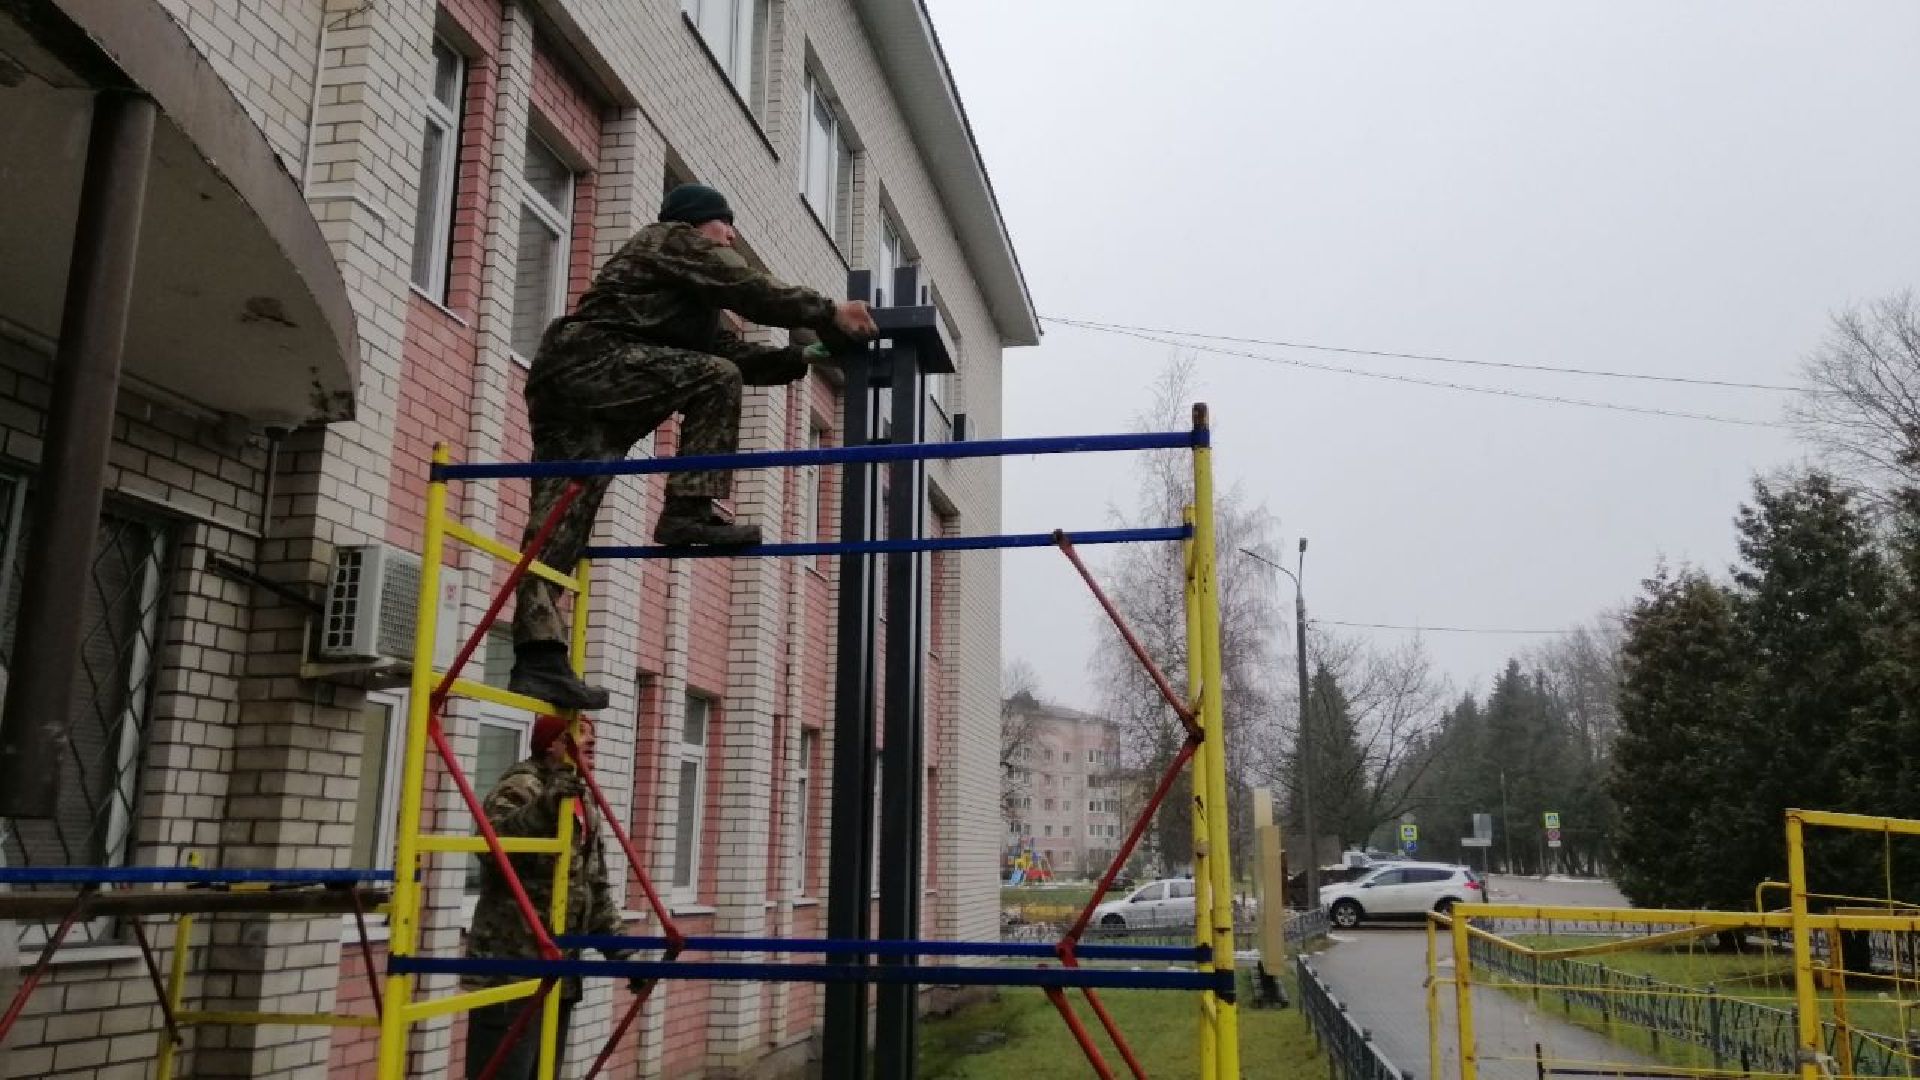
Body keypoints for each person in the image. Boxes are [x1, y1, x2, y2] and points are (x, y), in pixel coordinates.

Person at [510, 182, 878, 710]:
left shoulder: (688, 305)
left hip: (575, 388)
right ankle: (687, 508)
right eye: (724, 224)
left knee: (561, 515)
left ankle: (538, 657)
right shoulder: (671, 239)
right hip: (590, 361)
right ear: (697, 222)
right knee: (714, 377)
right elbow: (749, 290)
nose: (730, 234)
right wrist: (826, 311)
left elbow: (740, 357)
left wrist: (810, 353)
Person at [464, 714, 629, 1080]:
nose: (591, 742)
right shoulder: (523, 785)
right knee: (505, 1072)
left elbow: (592, 883)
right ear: (551, 743)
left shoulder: (580, 797)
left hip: (558, 969)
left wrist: (622, 951)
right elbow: (492, 846)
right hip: (511, 967)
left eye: (593, 733)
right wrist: (546, 806)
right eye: (579, 733)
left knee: (543, 1072)